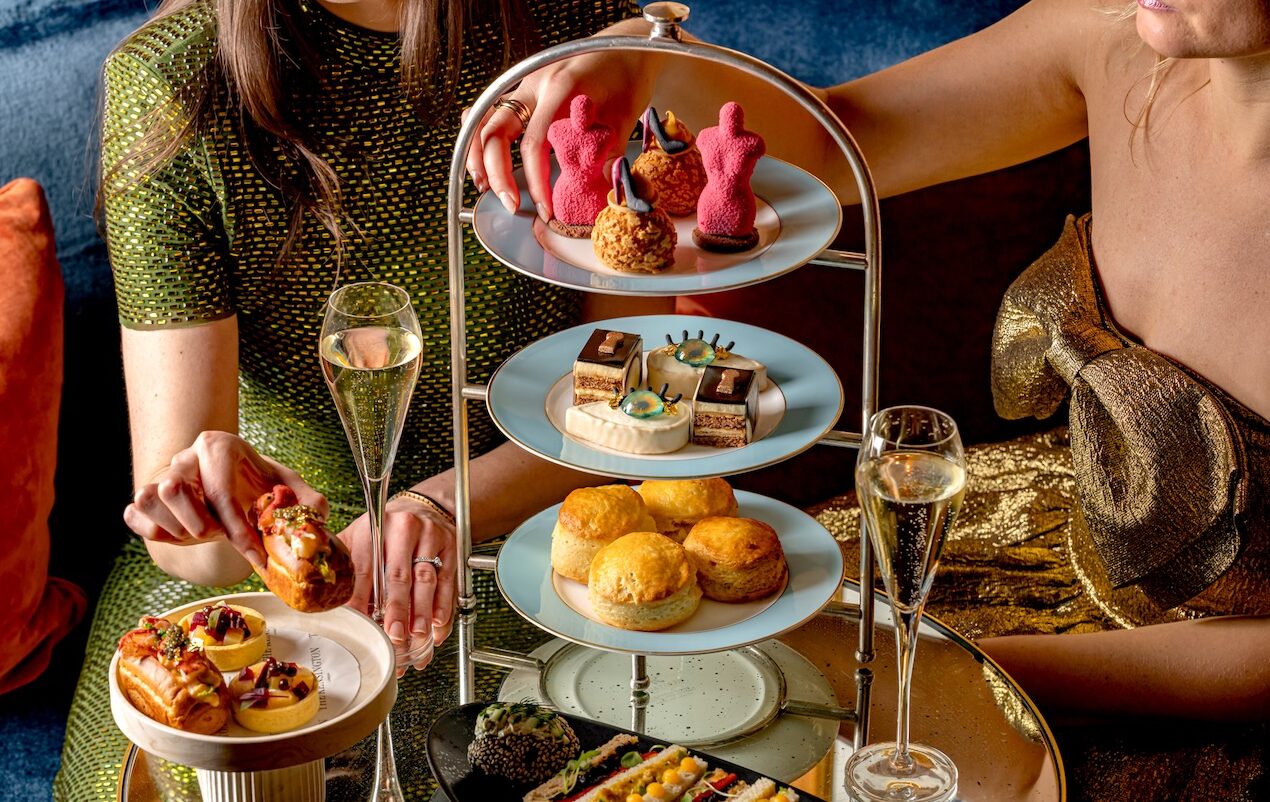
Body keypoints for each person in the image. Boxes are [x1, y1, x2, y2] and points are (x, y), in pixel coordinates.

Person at [472, 0, 1270, 724]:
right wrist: (641, 60)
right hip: (1026, 550)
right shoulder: (1115, 34)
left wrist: (947, 674)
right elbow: (839, 140)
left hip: (1187, 685)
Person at [58, 1, 664, 797]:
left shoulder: (577, 24)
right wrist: (230, 511)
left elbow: (627, 409)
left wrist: (441, 506)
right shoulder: (174, 81)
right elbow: (192, 551)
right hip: (263, 604)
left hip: (543, 542)